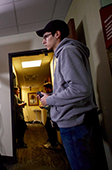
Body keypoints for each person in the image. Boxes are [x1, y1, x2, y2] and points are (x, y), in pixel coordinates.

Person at [36, 20, 98, 170]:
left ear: (57, 34)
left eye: (46, 36)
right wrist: (50, 95)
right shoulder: (64, 53)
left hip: (73, 123)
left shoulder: (67, 51)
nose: (43, 41)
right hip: (73, 121)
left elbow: (80, 89)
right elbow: (71, 88)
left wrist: (49, 99)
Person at [39, 82, 58, 149]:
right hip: (50, 115)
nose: (45, 90)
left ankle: (52, 143)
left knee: (51, 130)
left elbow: (50, 106)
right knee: (50, 129)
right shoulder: (51, 94)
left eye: (45, 89)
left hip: (51, 116)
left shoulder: (52, 95)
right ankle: (52, 143)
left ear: (48, 88)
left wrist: (43, 106)